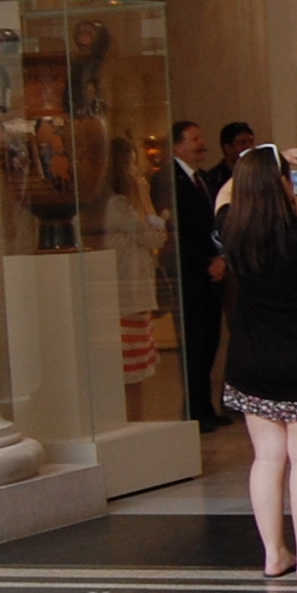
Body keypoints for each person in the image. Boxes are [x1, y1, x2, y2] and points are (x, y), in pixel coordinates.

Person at [218, 144, 297, 579]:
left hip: (253, 358)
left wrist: (254, 160)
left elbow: (223, 196)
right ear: (282, 185)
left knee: (267, 458)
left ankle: (275, 553)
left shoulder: (232, 230)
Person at [167, 120, 231, 430]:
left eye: (201, 137)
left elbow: (212, 226)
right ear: (176, 146)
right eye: (193, 139)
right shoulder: (171, 181)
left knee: (209, 342)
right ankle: (194, 409)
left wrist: (221, 257)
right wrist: (207, 262)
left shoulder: (202, 179)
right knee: (195, 345)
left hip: (210, 277)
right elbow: (181, 233)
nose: (201, 144)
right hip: (190, 277)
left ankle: (205, 407)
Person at [101, 137, 169, 423]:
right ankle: (132, 423)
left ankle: (135, 422)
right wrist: (147, 200)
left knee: (136, 372)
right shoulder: (117, 204)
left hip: (133, 297)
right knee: (131, 373)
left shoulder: (119, 205)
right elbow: (155, 236)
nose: (136, 172)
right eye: (131, 164)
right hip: (127, 299)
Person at [203, 121, 256, 198]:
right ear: (227, 148)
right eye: (242, 142)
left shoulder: (257, 175)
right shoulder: (213, 180)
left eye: (251, 142)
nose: (248, 147)